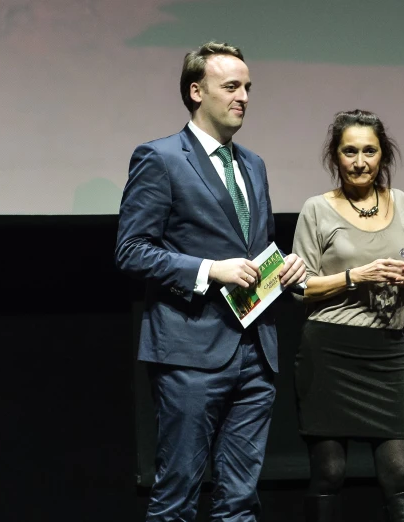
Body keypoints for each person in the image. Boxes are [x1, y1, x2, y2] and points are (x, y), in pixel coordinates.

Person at [115, 41, 306, 522]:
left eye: (247, 87)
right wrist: (207, 269)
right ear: (196, 91)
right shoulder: (160, 159)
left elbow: (253, 249)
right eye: (231, 86)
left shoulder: (254, 164)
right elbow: (132, 250)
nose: (243, 96)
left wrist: (286, 267)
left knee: (240, 499)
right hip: (189, 349)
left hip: (256, 351)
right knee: (177, 496)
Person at [292, 110, 404, 522]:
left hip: (386, 353)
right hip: (329, 352)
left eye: (369, 151)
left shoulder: (400, 201)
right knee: (329, 473)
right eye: (349, 151)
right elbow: (300, 287)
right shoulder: (316, 209)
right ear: (335, 157)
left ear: (382, 154)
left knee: (399, 473)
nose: (360, 161)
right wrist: (356, 276)